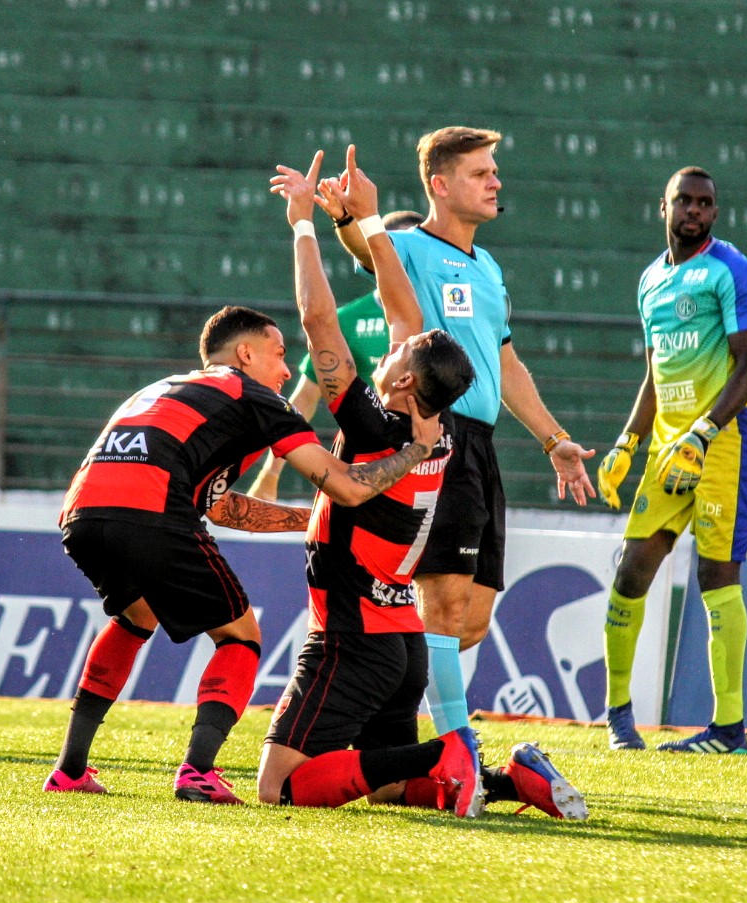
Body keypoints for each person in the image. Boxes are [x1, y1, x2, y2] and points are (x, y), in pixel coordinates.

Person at [256, 148, 587, 821]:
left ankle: (452, 750)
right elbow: (403, 310)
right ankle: (497, 779)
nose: (390, 345)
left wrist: (302, 226)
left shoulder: (376, 428)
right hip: (398, 642)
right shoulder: (429, 435)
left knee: (280, 785)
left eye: (398, 354)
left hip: (352, 639)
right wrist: (372, 221)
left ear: (405, 379)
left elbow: (320, 322)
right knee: (386, 779)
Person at [43, 304, 443, 803]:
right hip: (151, 511)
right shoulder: (249, 394)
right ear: (245, 353)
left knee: (135, 617)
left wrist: (311, 521)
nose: (283, 370)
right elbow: (346, 486)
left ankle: (68, 771)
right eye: (278, 355)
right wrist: (416, 451)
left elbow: (224, 508)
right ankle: (198, 773)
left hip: (82, 513)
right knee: (241, 636)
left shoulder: (165, 391)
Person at [329, 131, 597, 736]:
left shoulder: (491, 269)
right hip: (436, 434)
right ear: (439, 185)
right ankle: (455, 746)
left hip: (480, 445)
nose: (496, 181)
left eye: (494, 171)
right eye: (481, 173)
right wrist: (351, 215)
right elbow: (366, 249)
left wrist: (556, 442)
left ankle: (385, 715)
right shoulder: (409, 247)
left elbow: (505, 366)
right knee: (444, 607)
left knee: (470, 619)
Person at [597, 166, 747, 754]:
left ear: (714, 213)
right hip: (671, 447)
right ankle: (619, 716)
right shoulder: (649, 282)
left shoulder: (733, 271)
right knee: (631, 571)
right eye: (684, 201)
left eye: (705, 203)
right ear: (662, 207)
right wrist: (627, 442)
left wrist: (702, 432)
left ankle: (729, 729)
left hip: (726, 439)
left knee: (715, 575)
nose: (694, 211)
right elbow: (655, 373)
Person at [249, 210, 424, 503]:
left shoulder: (448, 316)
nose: (408, 262)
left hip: (434, 461)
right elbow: (304, 398)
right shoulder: (348, 320)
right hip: (370, 468)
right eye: (398, 251)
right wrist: (270, 474)